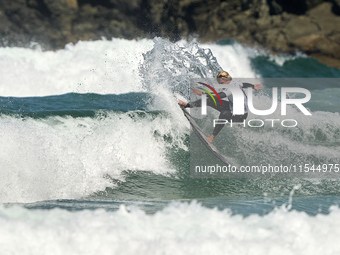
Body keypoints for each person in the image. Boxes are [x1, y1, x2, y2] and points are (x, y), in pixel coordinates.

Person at [178, 70, 263, 143]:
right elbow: (243, 84)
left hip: (240, 116)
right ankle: (187, 105)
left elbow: (220, 96)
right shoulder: (234, 83)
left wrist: (203, 93)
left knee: (224, 113)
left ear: (227, 80)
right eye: (220, 84)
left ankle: (212, 137)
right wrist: (252, 86)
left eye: (222, 83)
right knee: (209, 101)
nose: (221, 86)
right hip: (231, 107)